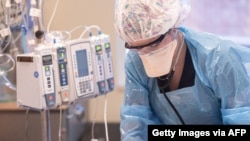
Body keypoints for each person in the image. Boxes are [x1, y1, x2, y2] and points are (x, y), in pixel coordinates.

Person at [114, 0, 250, 140]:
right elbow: (135, 122)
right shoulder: (134, 63)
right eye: (137, 48)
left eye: (154, 44)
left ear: (173, 27)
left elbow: (241, 124)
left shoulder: (219, 59)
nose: (145, 53)